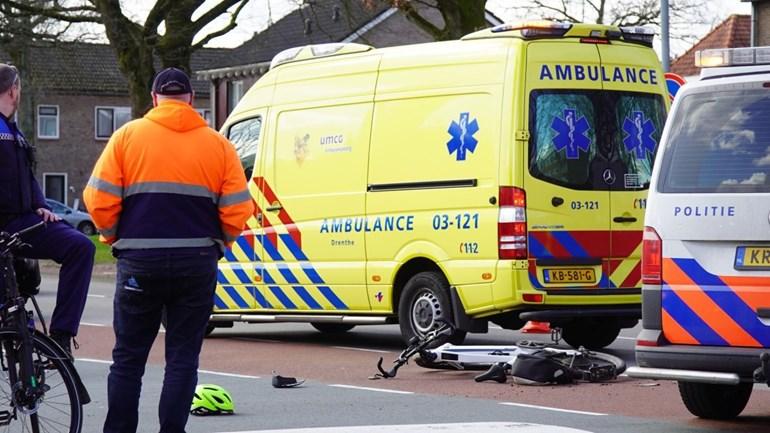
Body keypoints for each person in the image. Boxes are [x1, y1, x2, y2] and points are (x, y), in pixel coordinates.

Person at [84, 67, 253, 433]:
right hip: (196, 263)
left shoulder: (127, 137)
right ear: (191, 100)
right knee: (182, 359)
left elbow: (97, 198)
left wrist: (114, 236)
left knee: (128, 359)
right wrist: (220, 242)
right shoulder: (219, 145)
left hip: (140, 262)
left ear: (155, 98)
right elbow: (239, 208)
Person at [0, 63, 94, 356]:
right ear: (14, 89)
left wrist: (41, 205)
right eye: (20, 88)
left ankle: (61, 336)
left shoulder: (15, 133)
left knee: (80, 246)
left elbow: (27, 177)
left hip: (24, 222)